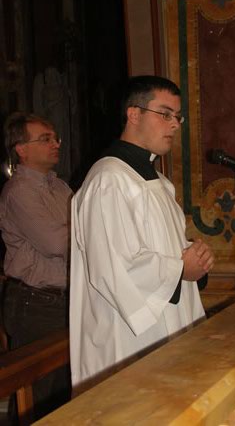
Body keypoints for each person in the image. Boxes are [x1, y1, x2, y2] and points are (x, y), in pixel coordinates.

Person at [70, 75, 214, 389]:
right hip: (129, 336)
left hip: (168, 325)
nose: (175, 125)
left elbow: (160, 250)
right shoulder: (108, 179)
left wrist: (195, 259)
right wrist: (180, 270)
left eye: (178, 116)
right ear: (133, 115)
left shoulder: (158, 182)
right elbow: (113, 267)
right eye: (165, 114)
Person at [0, 112, 72, 419]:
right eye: (45, 139)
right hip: (34, 303)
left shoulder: (60, 187)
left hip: (64, 300)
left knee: (62, 393)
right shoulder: (19, 191)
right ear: (21, 149)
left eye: (55, 137)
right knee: (36, 397)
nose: (55, 143)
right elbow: (57, 244)